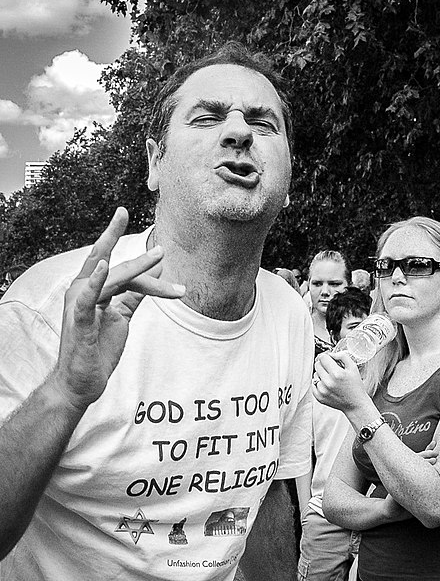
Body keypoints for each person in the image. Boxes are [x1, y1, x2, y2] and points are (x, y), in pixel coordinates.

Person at [0, 42, 313, 581]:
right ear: (154, 164)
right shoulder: (49, 304)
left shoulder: (289, 312)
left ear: (289, 177)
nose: (238, 133)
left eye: (264, 124)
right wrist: (65, 393)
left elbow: (268, 501)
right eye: (208, 117)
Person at [314, 216, 440, 581]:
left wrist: (358, 409)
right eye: (386, 266)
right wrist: (385, 509)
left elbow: (436, 502)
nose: (396, 277)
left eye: (417, 265)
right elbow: (333, 500)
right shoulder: (386, 366)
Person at [298, 287, 371, 581]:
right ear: (333, 338)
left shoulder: (388, 379)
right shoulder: (315, 386)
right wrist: (307, 513)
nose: (365, 339)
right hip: (324, 519)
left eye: (369, 328)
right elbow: (300, 451)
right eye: (354, 329)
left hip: (374, 516)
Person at [307, 250, 351, 356]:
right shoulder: (298, 330)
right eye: (317, 284)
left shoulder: (365, 326)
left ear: (350, 285)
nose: (325, 292)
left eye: (334, 284)